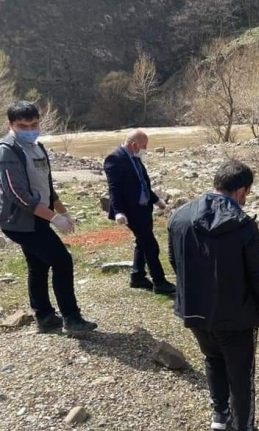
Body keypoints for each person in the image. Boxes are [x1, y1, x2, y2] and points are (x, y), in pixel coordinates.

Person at [168, 160, 259, 431]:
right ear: (242, 190)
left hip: (194, 310)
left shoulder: (180, 215)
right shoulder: (243, 225)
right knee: (241, 375)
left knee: (213, 359)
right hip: (236, 316)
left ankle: (220, 415)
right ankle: (243, 425)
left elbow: (175, 261)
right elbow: (258, 275)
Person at [0, 101, 96, 334]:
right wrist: (54, 219)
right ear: (10, 124)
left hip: (40, 216)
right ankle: (72, 318)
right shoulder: (7, 151)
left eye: (34, 124)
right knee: (62, 261)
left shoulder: (37, 147)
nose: (30, 129)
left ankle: (44, 317)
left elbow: (47, 186)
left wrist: (62, 211)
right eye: (23, 126)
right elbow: (19, 196)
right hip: (21, 222)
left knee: (38, 265)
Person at [103, 129, 175, 294]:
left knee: (142, 242)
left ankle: (138, 277)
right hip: (130, 211)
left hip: (143, 208)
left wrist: (157, 200)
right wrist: (119, 212)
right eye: (144, 146)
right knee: (150, 245)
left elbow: (143, 183)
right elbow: (114, 189)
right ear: (133, 144)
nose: (145, 149)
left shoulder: (135, 157)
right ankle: (159, 282)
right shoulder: (115, 159)